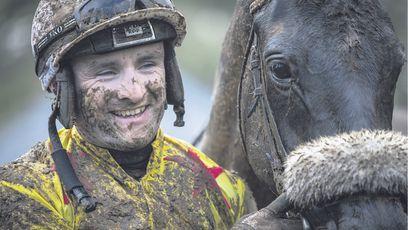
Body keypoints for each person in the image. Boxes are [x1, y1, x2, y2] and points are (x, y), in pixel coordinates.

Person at [0, 0, 251, 228]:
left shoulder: (223, 188)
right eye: (107, 71)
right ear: (58, 84)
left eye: (147, 64)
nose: (134, 92)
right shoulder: (22, 193)